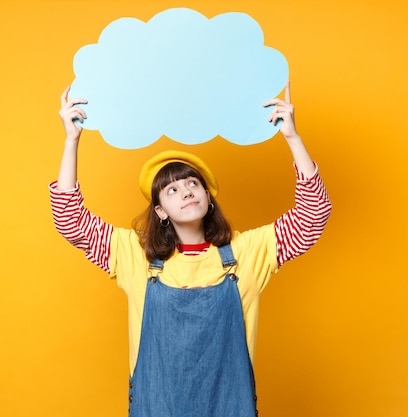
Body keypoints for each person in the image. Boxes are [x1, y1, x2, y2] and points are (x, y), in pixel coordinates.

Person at [50, 82, 332, 417]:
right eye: (171, 190)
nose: (185, 192)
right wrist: (71, 141)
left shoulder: (249, 251)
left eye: (192, 183)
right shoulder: (134, 255)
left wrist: (293, 139)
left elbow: (313, 215)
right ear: (160, 211)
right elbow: (70, 221)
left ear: (208, 199)